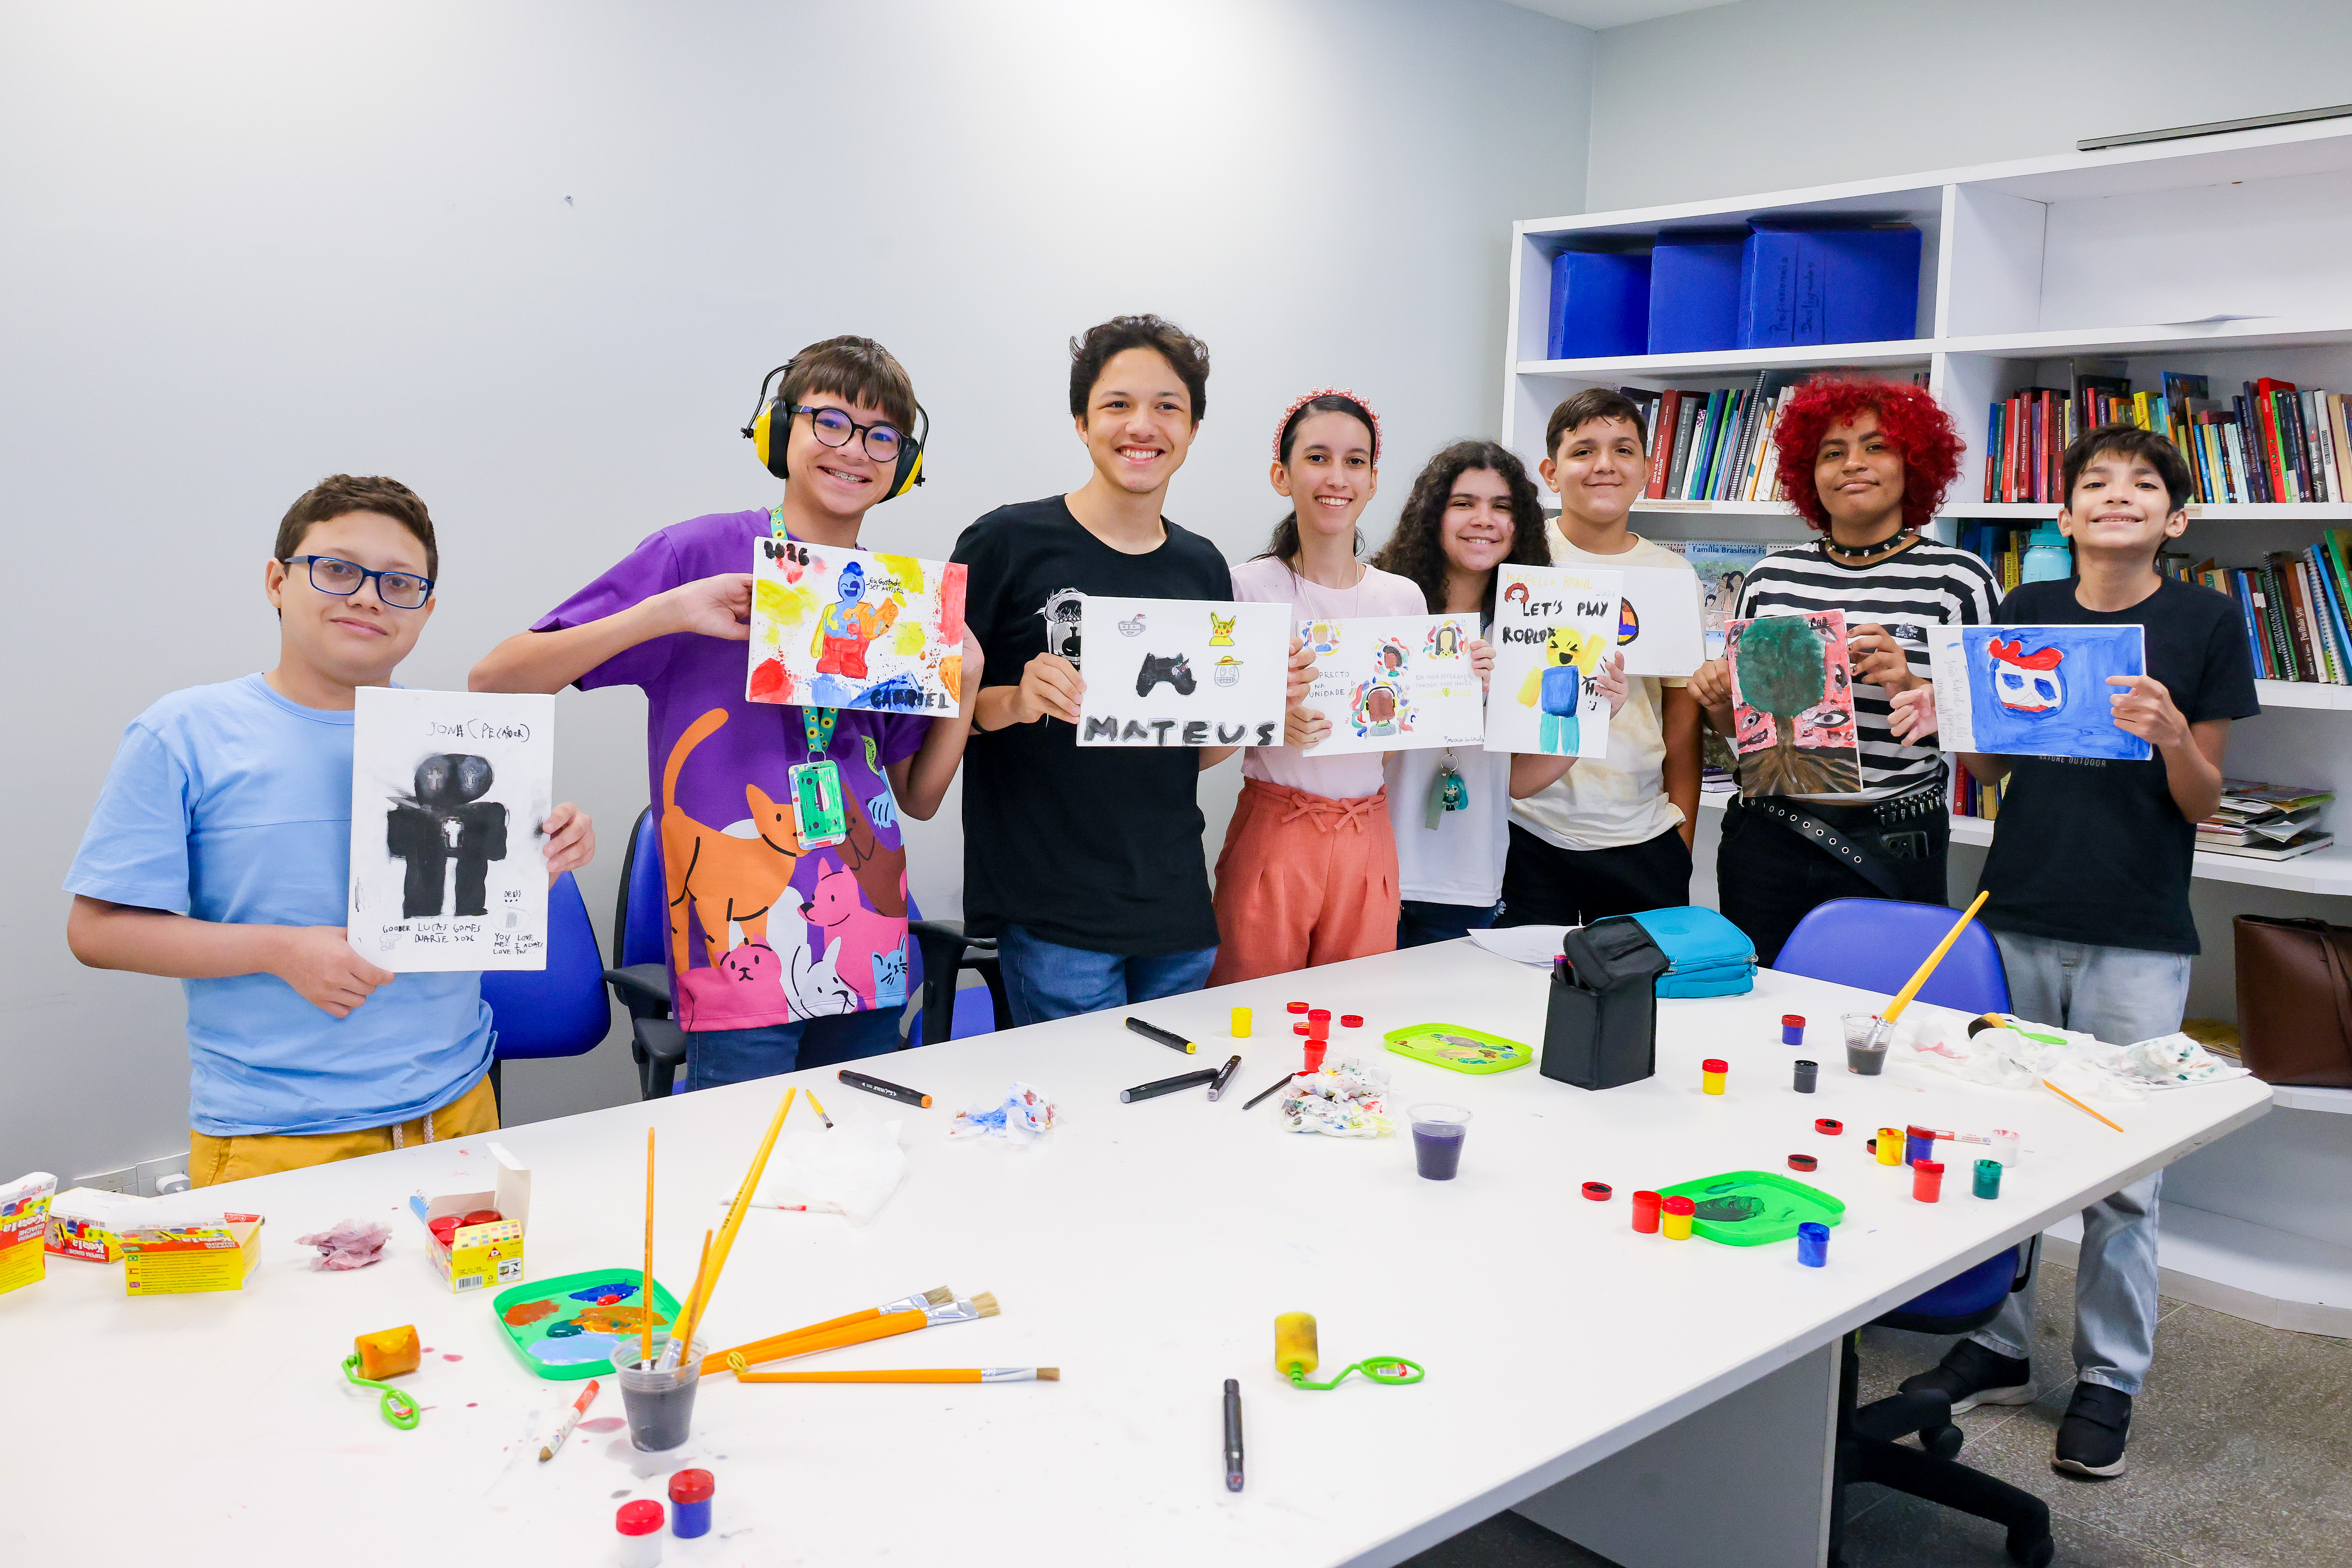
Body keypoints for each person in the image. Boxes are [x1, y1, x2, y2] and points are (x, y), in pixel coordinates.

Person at [1891, 424, 2258, 1481]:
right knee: (2004, 1142)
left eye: (2144, 485)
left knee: (2125, 1171)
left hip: (2137, 930)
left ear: (2176, 519)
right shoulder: (2029, 607)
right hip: (2018, 910)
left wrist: (2174, 736)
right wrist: (1946, 712)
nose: (2117, 496)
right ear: (2063, 515)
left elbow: (2204, 799)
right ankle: (2001, 1344)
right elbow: (1991, 766)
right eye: (2095, 482)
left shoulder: (2205, 621)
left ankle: (2109, 1377)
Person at [470, 337, 979, 1090]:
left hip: (868, 949)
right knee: (742, 1157)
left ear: (902, 464)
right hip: (740, 958)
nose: (854, 449)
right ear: (780, 430)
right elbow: (496, 680)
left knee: (859, 1149)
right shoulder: (697, 555)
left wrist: (968, 679)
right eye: (831, 422)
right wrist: (665, 613)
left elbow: (919, 796)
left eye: (881, 436)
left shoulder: (894, 603)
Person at [64, 475, 596, 1185]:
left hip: (459, 1110)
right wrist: (280, 950)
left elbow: (470, 901)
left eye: (399, 583)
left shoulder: (459, 736)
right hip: (276, 1134)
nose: (369, 596)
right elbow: (96, 931)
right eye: (339, 570)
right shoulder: (184, 733)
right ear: (277, 582)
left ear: (426, 610)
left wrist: (546, 856)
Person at [952, 315, 1307, 1023]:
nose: (1142, 425)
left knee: (1172, 1092)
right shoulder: (1005, 543)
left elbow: (1191, 750)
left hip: (1176, 911)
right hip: (1054, 914)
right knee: (1078, 1092)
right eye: (1117, 404)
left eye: (1167, 406)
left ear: (1192, 429)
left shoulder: (1201, 566)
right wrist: (1015, 700)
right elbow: (938, 720)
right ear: (1082, 423)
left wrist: (1256, 704)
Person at [1689, 376, 1998, 963]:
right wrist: (1719, 700)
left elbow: (1990, 762)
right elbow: (1749, 735)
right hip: (1769, 838)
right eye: (1832, 452)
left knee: (1882, 1005)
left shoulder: (1959, 581)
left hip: (1895, 842)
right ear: (1809, 473)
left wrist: (1914, 687)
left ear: (1914, 463)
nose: (1853, 464)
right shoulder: (1770, 579)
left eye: (1877, 447)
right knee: (1763, 1000)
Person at [1206, 390, 1426, 984]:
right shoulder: (1243, 589)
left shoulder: (1403, 598)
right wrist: (1267, 717)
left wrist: (1456, 681)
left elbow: (1390, 741)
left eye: (1355, 462)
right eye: (1317, 457)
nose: (1337, 477)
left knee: (1357, 1010)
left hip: (1366, 832)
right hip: (1275, 829)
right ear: (1282, 475)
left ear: (1374, 480)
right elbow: (1200, 747)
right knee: (1245, 1004)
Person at [1373, 441, 1625, 945]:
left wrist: (1594, 714)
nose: (1484, 519)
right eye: (1463, 503)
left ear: (1521, 524)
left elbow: (1519, 782)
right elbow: (1355, 758)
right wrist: (1436, 685)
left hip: (1468, 879)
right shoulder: (1386, 607)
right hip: (1372, 868)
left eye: (1502, 506)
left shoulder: (1533, 631)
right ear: (1432, 515)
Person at [1502, 390, 1702, 927]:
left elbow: (1682, 725)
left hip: (1642, 837)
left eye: (1623, 450)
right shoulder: (1519, 560)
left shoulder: (1673, 576)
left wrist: (1681, 841)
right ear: (1551, 472)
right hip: (1529, 828)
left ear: (1647, 471)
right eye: (1584, 451)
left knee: (1640, 979)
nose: (1605, 465)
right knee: (1521, 976)